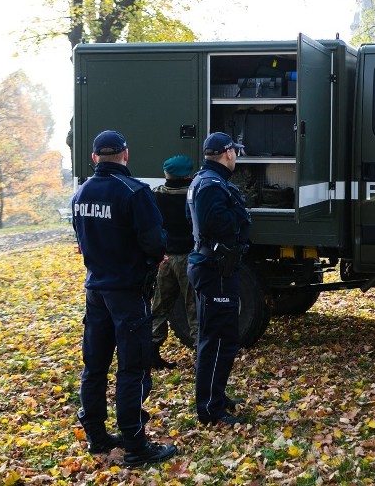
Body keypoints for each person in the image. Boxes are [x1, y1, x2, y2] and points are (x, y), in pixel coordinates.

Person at [71, 130, 177, 467]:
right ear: (125, 155)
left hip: (96, 291)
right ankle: (135, 445)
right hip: (128, 293)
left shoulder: (80, 194)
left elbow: (81, 239)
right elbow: (155, 243)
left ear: (94, 158)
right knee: (132, 369)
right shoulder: (134, 192)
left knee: (95, 367)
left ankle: (97, 437)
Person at [187, 132, 251, 426]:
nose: (236, 156)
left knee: (218, 338)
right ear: (227, 153)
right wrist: (240, 214)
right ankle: (210, 410)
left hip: (213, 266)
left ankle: (216, 397)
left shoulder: (206, 181)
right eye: (235, 151)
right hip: (216, 269)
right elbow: (217, 223)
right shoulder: (212, 185)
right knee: (218, 340)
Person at [150, 155, 198, 369]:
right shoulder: (192, 194)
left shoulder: (156, 195)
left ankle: (152, 351)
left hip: (165, 258)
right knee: (193, 307)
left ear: (166, 174)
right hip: (188, 257)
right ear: (188, 174)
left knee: (160, 305)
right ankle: (200, 354)